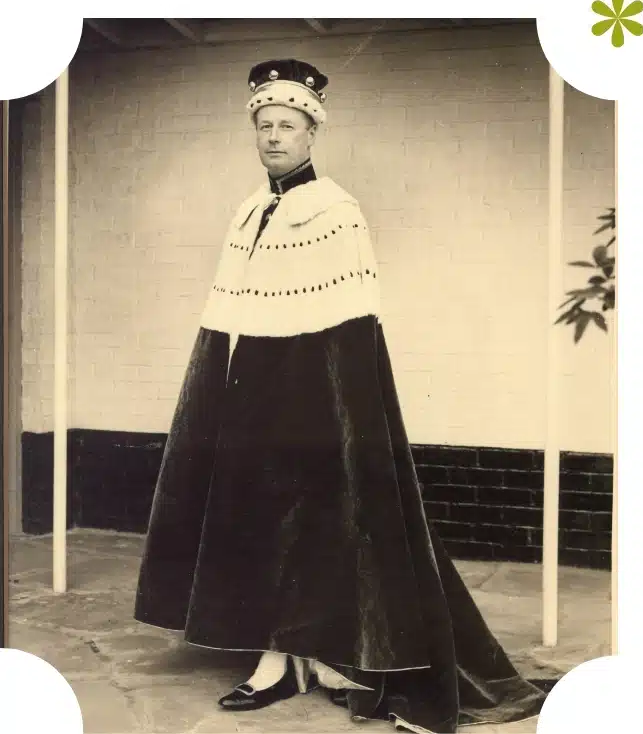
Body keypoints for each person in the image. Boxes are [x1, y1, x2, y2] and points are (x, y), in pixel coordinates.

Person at [134, 59, 547, 734]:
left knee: (318, 524)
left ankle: (309, 652)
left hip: (315, 395)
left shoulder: (334, 210)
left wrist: (342, 418)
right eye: (264, 125)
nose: (273, 137)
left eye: (287, 126)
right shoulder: (249, 209)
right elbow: (236, 311)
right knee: (259, 517)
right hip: (254, 387)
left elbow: (353, 327)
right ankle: (281, 655)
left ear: (309, 135)